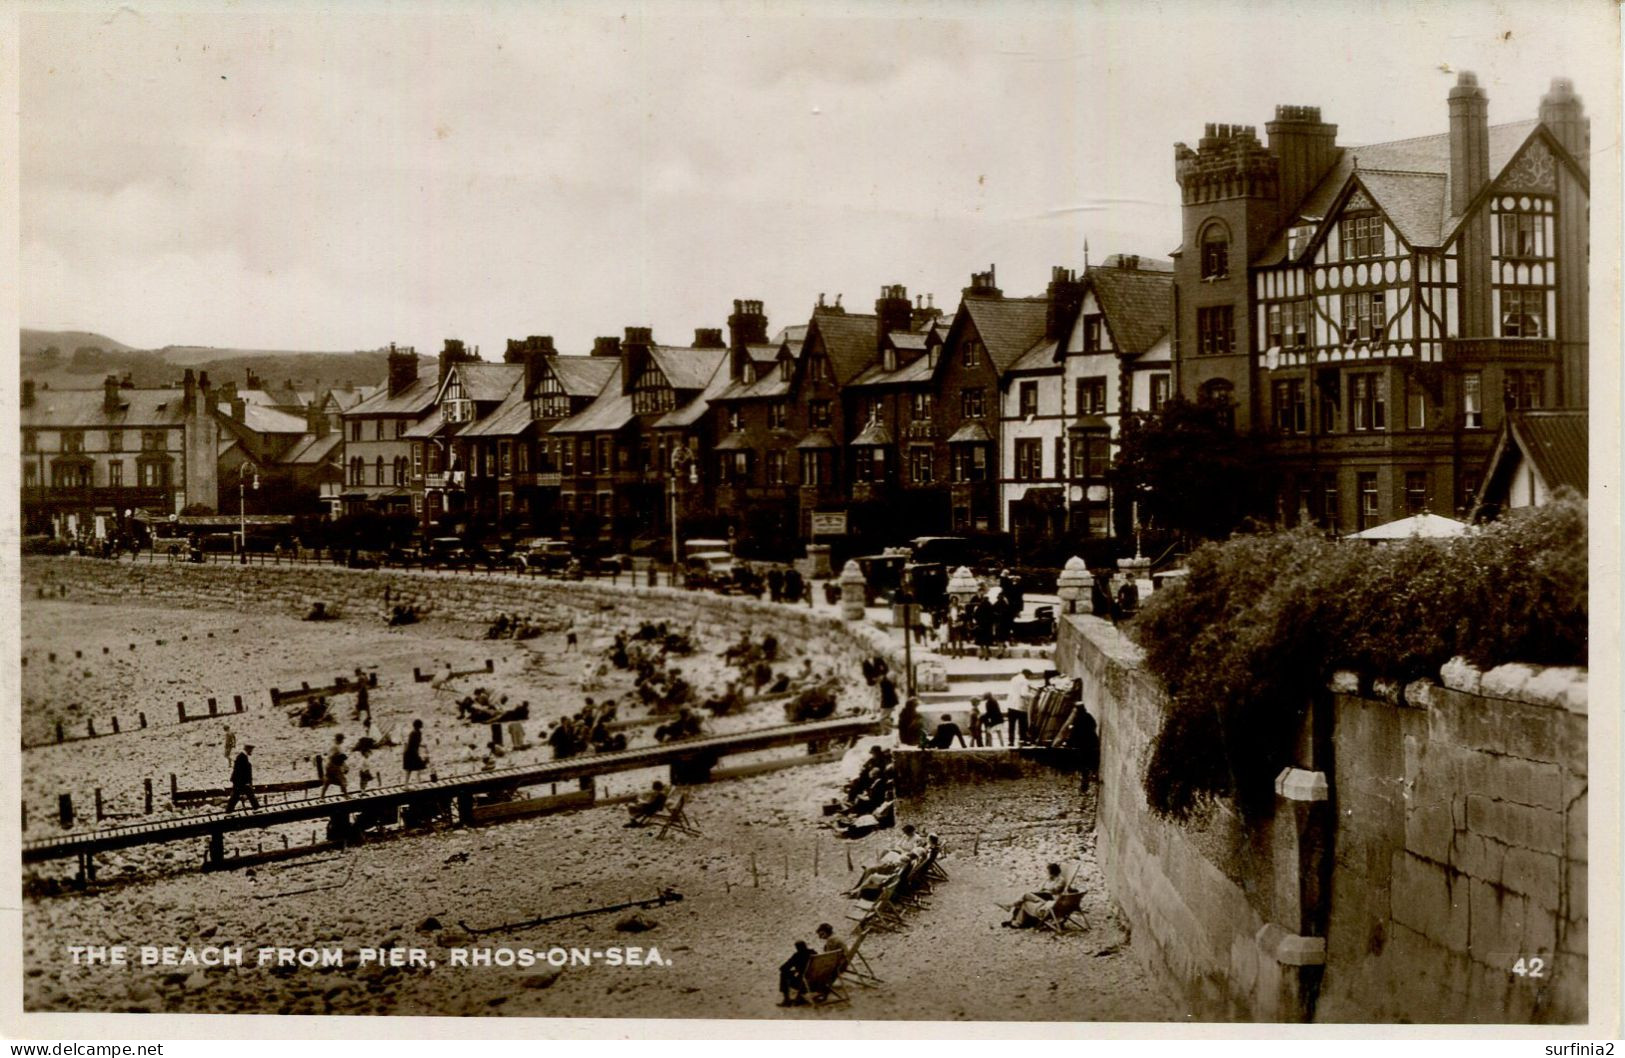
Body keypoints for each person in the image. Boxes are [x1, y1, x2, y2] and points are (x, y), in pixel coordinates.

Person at [1005, 863, 1069, 928]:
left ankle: (1010, 906)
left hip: (1049, 898)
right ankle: (1015, 921)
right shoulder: (1048, 879)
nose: (1047, 873)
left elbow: (1055, 890)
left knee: (1026, 895)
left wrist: (1046, 887)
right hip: (1043, 895)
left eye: (1048, 871)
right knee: (1024, 902)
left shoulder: (1061, 880)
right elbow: (1040, 888)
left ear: (1052, 872)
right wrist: (1047, 882)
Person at [778, 939, 812, 1006]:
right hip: (818, 982)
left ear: (797, 948)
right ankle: (799, 998)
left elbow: (783, 968)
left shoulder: (797, 955)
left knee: (784, 974)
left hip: (804, 984)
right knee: (797, 974)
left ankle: (786, 1000)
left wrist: (795, 971)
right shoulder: (813, 953)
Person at [1005, 669, 1034, 747]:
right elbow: (1023, 693)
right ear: (1027, 674)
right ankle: (1022, 740)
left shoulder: (1014, 679)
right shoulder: (1025, 681)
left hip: (1011, 705)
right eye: (1029, 676)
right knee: (1022, 725)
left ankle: (1011, 741)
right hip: (1020, 706)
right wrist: (1033, 695)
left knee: (1011, 725)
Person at [225, 745, 257, 811]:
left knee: (236, 796)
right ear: (248, 749)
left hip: (240, 782)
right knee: (239, 796)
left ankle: (228, 810)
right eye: (251, 750)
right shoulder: (241, 757)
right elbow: (240, 771)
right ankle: (257, 808)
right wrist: (245, 782)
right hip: (240, 782)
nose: (251, 751)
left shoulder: (243, 756)